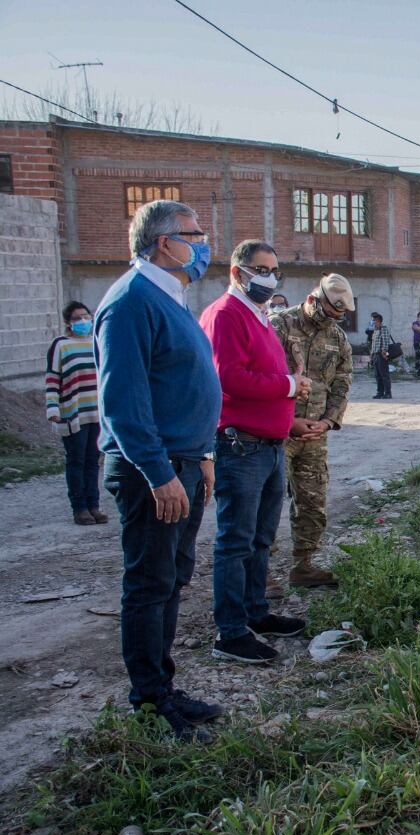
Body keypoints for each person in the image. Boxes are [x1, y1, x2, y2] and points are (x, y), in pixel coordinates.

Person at [96, 199, 223, 742]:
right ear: (163, 242)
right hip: (155, 470)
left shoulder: (170, 298)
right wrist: (158, 472)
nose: (202, 244)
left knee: (171, 582)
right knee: (149, 585)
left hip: (185, 463)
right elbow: (124, 402)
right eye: (193, 235)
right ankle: (149, 702)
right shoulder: (130, 302)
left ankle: (164, 688)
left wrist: (202, 457)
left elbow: (181, 385)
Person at [200, 240, 311, 665]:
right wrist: (289, 386)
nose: (269, 278)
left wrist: (288, 390)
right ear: (237, 272)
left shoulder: (259, 315)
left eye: (274, 270)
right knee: (236, 541)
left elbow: (261, 372)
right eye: (261, 269)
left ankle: (255, 612)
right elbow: (229, 378)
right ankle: (229, 631)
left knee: (261, 538)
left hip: (268, 445)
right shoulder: (226, 315)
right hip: (240, 445)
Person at [272, 273, 354, 591]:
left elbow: (342, 381)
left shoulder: (336, 338)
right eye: (329, 313)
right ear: (313, 299)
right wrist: (287, 421)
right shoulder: (279, 325)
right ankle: (260, 572)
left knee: (312, 499)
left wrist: (328, 421)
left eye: (337, 316)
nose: (330, 321)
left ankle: (303, 565)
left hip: (314, 434)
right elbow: (264, 376)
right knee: (267, 502)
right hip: (278, 431)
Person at [46, 301, 104, 525]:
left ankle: (94, 506)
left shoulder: (96, 342)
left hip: (96, 412)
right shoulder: (60, 345)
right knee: (76, 460)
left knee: (93, 460)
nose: (83, 321)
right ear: (68, 323)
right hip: (73, 413)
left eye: (86, 316)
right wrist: (53, 407)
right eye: (78, 318)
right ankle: (79, 508)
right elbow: (52, 378)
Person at [369, 312, 394, 399]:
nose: (372, 322)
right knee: (377, 375)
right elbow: (373, 344)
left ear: (378, 321)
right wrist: (371, 355)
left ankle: (388, 393)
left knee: (384, 375)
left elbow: (386, 342)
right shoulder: (375, 330)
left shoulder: (383, 329)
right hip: (375, 355)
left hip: (381, 355)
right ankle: (380, 392)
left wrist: (384, 353)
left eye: (374, 320)